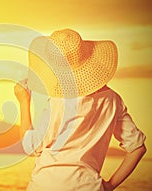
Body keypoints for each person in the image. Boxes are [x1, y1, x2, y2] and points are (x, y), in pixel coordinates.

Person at [14, 29, 146, 191]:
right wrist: (110, 186)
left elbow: (31, 147)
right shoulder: (112, 100)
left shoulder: (57, 103)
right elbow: (138, 148)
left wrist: (23, 101)